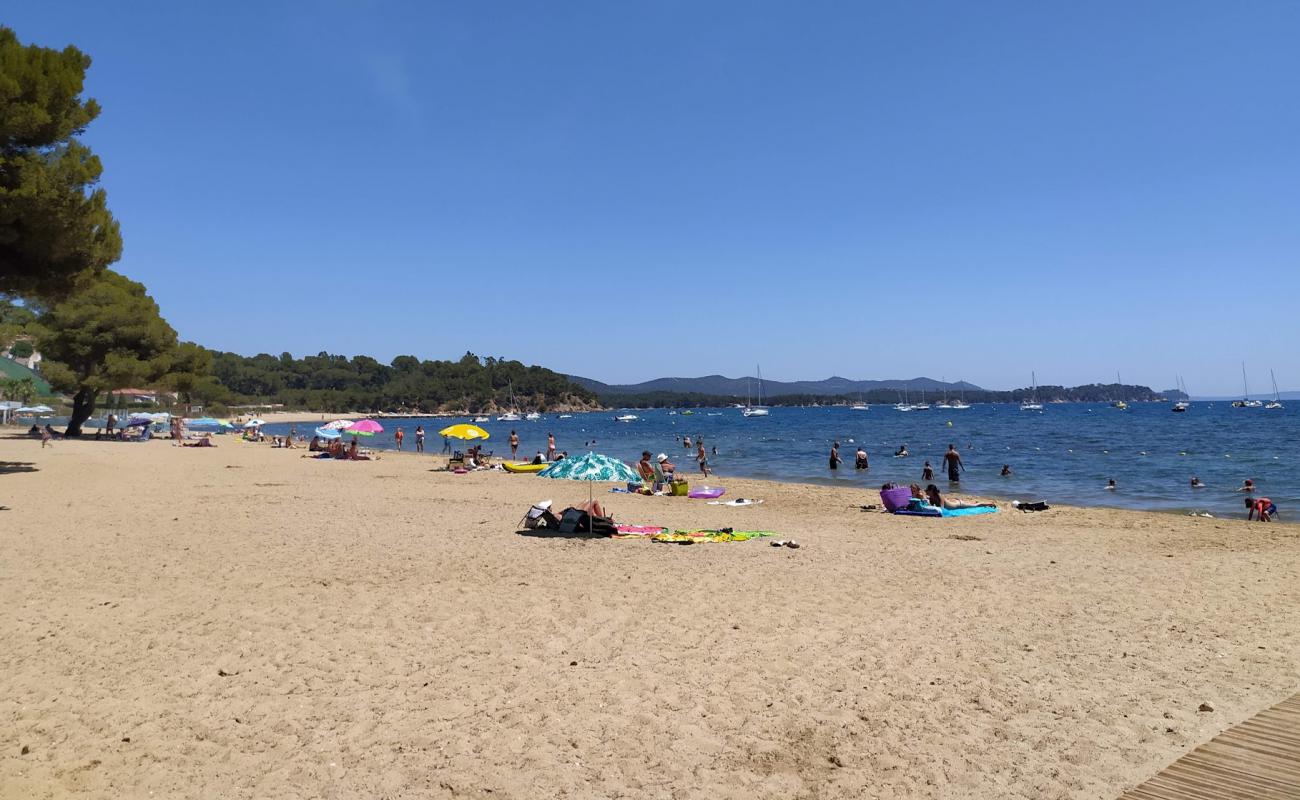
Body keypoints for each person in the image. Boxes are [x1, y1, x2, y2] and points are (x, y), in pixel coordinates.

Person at [925, 484, 995, 511]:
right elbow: (932, 506)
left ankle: (989, 504)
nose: (926, 492)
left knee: (975, 506)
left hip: (959, 504)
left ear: (931, 491)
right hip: (954, 503)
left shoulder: (940, 496)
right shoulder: (931, 497)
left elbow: (942, 509)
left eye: (927, 490)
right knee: (972, 504)